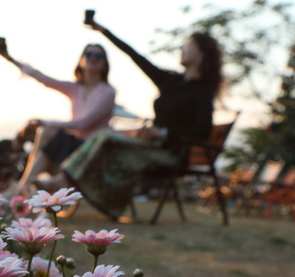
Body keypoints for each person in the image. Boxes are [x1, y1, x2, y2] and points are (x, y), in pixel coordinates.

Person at [58, 19, 224, 218]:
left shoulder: (203, 91)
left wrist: (163, 133)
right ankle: (100, 200)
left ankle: (62, 182)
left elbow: (202, 131)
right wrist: (104, 31)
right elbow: (135, 56)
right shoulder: (171, 81)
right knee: (108, 145)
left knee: (105, 136)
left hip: (171, 153)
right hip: (149, 147)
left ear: (201, 55)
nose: (182, 49)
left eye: (188, 46)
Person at [0, 38, 116, 194]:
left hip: (93, 151)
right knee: (47, 132)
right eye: (89, 54)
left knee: (48, 130)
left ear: (104, 64)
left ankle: (27, 188)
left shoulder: (107, 92)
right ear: (81, 60)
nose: (93, 58)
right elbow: (43, 78)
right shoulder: (75, 88)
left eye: (98, 56)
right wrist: (10, 59)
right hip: (74, 148)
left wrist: (45, 122)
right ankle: (27, 186)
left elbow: (82, 124)